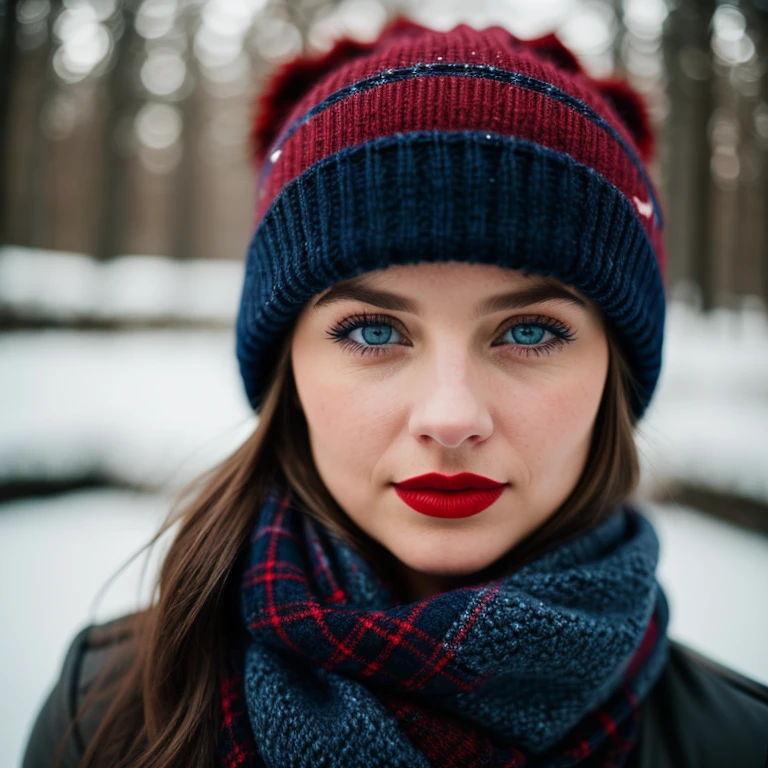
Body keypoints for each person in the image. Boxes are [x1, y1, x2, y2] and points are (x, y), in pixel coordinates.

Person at [22, 16, 768, 768]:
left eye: (531, 331)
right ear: (288, 366)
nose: (450, 418)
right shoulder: (105, 716)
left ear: (617, 370)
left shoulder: (739, 743)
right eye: (375, 332)